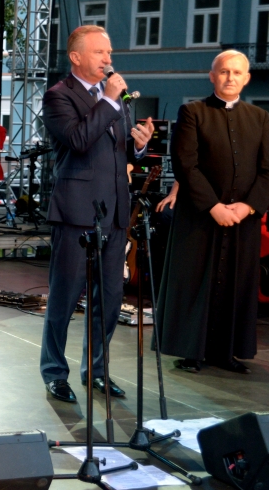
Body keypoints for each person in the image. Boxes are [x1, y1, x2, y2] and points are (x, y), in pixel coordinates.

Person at [39, 25, 153, 403]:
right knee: (65, 296)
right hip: (76, 210)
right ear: (76, 57)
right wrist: (108, 99)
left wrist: (139, 147)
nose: (108, 58)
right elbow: (78, 140)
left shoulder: (113, 97)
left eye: (109, 52)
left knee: (110, 298)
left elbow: (117, 152)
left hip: (115, 210)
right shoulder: (58, 95)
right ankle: (55, 372)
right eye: (100, 52)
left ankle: (97, 370)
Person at [156, 50, 269, 375]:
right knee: (196, 284)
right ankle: (191, 351)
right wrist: (214, 207)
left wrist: (247, 206)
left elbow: (267, 170)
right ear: (212, 76)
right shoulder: (193, 112)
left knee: (236, 285)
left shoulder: (260, 118)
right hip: (200, 216)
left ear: (246, 79)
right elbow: (185, 164)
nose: (230, 77)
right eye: (224, 71)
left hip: (243, 219)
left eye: (237, 72)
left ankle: (227, 352)